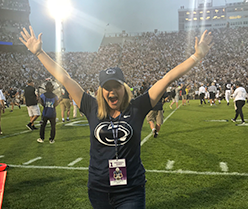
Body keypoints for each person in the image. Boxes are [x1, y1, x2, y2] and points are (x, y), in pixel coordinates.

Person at [19, 26, 213, 209]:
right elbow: (65, 78)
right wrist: (38, 52)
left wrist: (197, 56)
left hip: (131, 190)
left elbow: (167, 78)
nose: (112, 92)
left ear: (124, 88)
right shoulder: (91, 106)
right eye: (107, 87)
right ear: (101, 90)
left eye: (116, 86)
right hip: (98, 189)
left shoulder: (137, 107)